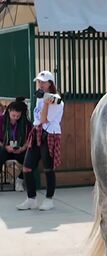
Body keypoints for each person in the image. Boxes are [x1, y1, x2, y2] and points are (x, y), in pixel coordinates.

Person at [16, 70, 64, 211]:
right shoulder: (40, 96)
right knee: (27, 167)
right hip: (37, 131)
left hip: (50, 134)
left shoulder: (56, 100)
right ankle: (31, 199)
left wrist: (47, 103)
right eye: (39, 82)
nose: (40, 84)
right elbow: (37, 117)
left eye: (43, 82)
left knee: (48, 169)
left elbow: (44, 119)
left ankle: (49, 199)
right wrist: (43, 100)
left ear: (50, 83)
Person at [0, 98, 32, 192]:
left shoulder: (26, 123)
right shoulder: (1, 120)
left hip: (19, 149)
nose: (15, 118)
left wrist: (23, 148)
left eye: (18, 116)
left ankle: (20, 180)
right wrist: (5, 146)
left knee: (30, 157)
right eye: (13, 115)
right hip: (4, 148)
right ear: (9, 111)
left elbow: (29, 139)